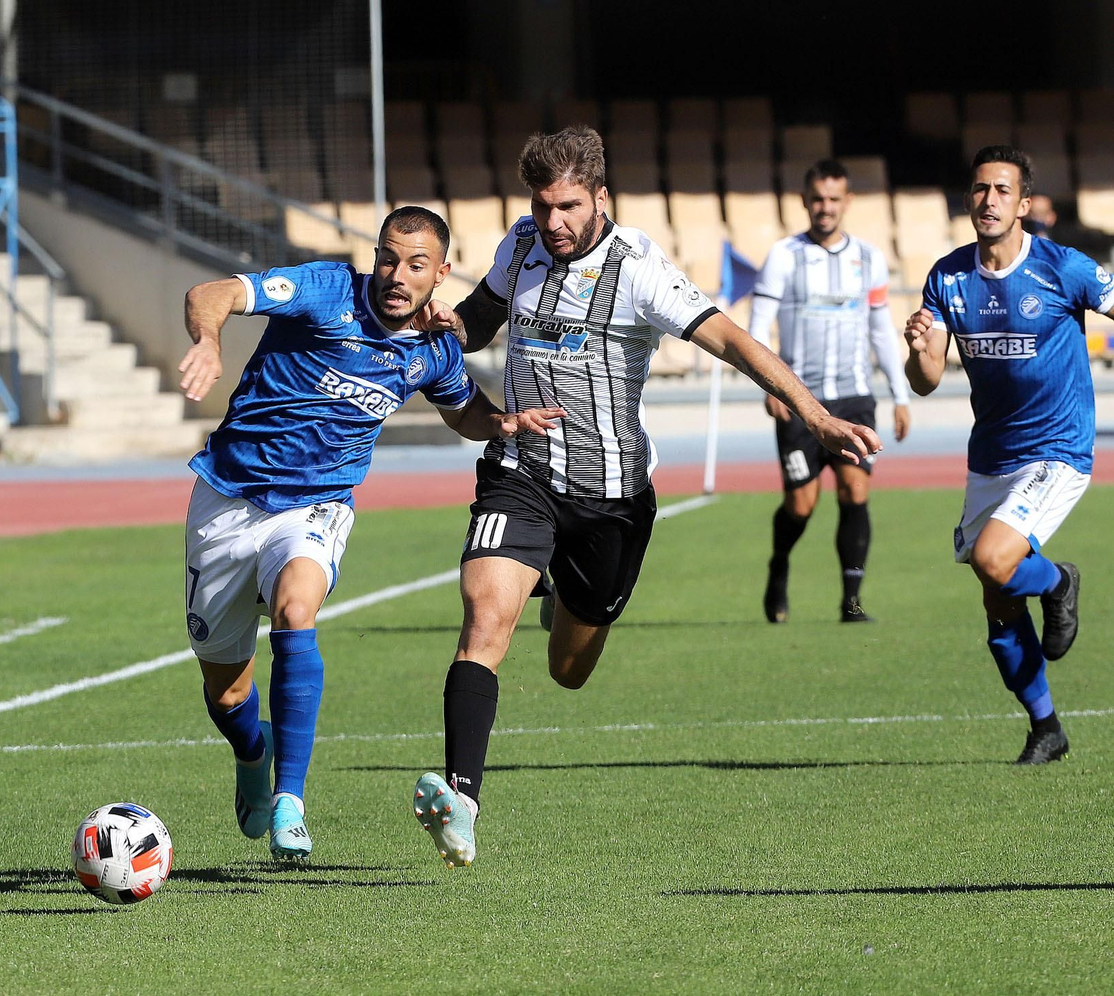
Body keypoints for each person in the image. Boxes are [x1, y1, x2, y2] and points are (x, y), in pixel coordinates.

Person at [407, 126, 882, 868]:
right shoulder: (522, 245)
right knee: (483, 620)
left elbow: (732, 342)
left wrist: (814, 415)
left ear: (600, 196)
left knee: (569, 669)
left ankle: (561, 582)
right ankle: (463, 802)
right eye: (541, 206)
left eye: (567, 206)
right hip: (521, 470)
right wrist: (443, 324)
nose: (552, 222)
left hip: (611, 499)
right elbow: (478, 319)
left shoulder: (637, 269)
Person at [179, 205, 563, 862]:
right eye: (389, 257)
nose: (397, 274)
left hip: (316, 507)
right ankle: (253, 748)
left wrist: (498, 423)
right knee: (227, 693)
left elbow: (461, 407)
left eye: (417, 265)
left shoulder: (435, 351)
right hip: (225, 498)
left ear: (441, 273)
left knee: (297, 611)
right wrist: (210, 340)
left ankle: (289, 803)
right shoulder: (326, 290)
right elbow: (209, 294)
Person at [905, 145, 1114, 764]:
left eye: (1002, 191)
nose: (988, 200)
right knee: (996, 601)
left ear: (1024, 204)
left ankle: (1057, 580)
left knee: (996, 562)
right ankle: (1046, 727)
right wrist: (917, 347)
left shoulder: (1064, 267)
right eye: (979, 190)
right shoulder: (947, 276)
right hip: (992, 457)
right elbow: (925, 380)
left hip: (1058, 448)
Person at [749, 159, 913, 624]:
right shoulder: (784, 255)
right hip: (800, 400)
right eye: (817, 198)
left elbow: (881, 330)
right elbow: (759, 325)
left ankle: (852, 601)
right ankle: (778, 567)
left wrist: (900, 394)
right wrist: (770, 385)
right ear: (804, 201)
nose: (825, 208)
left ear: (847, 202)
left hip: (856, 397)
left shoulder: (870, 257)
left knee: (853, 492)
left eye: (833, 199)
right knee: (802, 504)